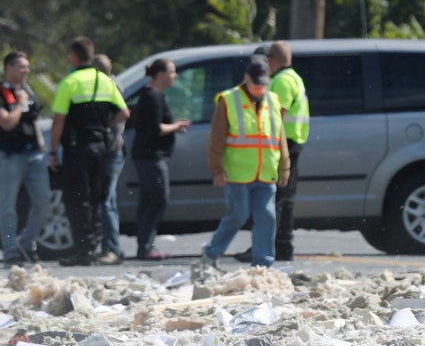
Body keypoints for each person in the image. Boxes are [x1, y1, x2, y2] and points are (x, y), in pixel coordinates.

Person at [200, 56, 290, 270]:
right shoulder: (228, 100)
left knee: (267, 216)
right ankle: (211, 254)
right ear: (246, 78)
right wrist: (217, 169)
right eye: (255, 84)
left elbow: (280, 137)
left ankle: (263, 265)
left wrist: (284, 167)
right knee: (238, 215)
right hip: (238, 172)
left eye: (263, 85)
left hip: (266, 171)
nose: (259, 89)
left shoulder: (273, 100)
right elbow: (216, 137)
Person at [48, 36, 130, 266]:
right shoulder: (104, 81)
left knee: (77, 199)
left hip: (78, 148)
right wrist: (106, 126)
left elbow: (58, 122)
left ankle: (82, 250)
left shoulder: (70, 83)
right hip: (101, 148)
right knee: (96, 198)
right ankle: (94, 248)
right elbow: (124, 113)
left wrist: (53, 152)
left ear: (74, 56)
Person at [234, 41, 307, 263]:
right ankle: (282, 246)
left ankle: (266, 247)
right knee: (284, 199)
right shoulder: (294, 77)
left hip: (280, 144)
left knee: (272, 200)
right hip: (291, 142)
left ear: (272, 59)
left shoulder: (283, 81)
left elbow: (278, 116)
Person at [0, 52, 50, 266]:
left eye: (27, 67)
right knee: (8, 207)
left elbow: (35, 121)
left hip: (34, 154)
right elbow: (6, 123)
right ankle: (11, 252)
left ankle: (27, 242)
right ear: (9, 68)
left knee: (43, 201)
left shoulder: (28, 91)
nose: (26, 71)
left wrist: (44, 149)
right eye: (22, 67)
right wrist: (19, 105)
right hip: (10, 156)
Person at [131, 58, 190, 260]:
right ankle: (146, 246)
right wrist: (176, 126)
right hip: (151, 158)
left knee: (150, 201)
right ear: (161, 74)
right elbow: (155, 128)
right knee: (158, 200)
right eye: (172, 72)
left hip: (151, 157)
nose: (175, 76)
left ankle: (145, 245)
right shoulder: (152, 97)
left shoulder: (154, 95)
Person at [91, 53, 127, 265]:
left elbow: (123, 113)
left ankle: (113, 248)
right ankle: (109, 246)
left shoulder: (110, 86)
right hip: (109, 149)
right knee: (107, 200)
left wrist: (105, 126)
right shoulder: (112, 83)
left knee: (106, 201)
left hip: (112, 149)